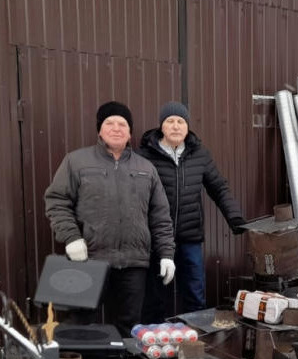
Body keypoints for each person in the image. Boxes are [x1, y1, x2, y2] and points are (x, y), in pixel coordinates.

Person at [44, 101, 176, 336]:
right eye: (109, 123)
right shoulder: (76, 162)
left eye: (122, 124)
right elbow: (57, 201)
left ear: (130, 132)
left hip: (134, 263)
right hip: (90, 260)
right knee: (81, 324)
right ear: (99, 129)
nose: (116, 128)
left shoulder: (146, 168)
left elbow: (160, 216)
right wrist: (72, 238)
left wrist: (166, 254)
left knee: (130, 328)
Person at [138, 101, 246, 321]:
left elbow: (219, 187)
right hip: (157, 239)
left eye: (181, 121)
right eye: (170, 121)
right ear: (162, 126)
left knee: (195, 294)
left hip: (190, 237)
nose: (176, 126)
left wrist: (234, 217)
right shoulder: (146, 155)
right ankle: (155, 343)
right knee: (155, 297)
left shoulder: (199, 154)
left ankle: (198, 341)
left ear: (187, 127)